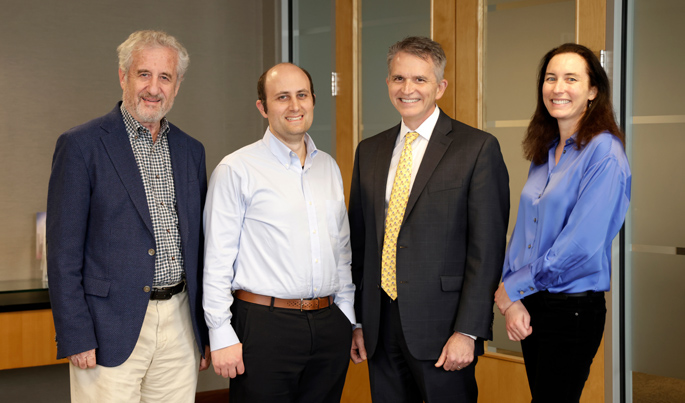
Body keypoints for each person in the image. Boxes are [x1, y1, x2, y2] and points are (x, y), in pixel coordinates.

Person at [47, 30, 210, 402]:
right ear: (123, 76)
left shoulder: (191, 151)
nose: (153, 88)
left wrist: (203, 330)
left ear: (177, 86)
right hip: (108, 327)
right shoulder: (81, 145)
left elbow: (198, 247)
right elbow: (63, 253)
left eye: (165, 77)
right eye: (143, 74)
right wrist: (76, 334)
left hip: (180, 323)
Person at [349, 36, 510, 403]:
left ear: (440, 87)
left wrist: (468, 331)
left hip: (443, 329)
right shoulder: (369, 151)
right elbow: (359, 245)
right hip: (379, 327)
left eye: (420, 79)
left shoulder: (477, 148)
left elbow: (486, 250)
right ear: (388, 83)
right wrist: (357, 321)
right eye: (398, 78)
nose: (407, 89)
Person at [202, 62, 355, 403]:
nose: (294, 105)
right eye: (282, 97)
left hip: (329, 325)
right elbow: (217, 259)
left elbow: (341, 251)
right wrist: (220, 330)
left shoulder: (328, 167)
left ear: (313, 100)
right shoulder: (236, 169)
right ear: (263, 107)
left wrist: (348, 316)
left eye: (302, 95)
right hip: (264, 326)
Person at [494, 43, 631, 402]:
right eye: (551, 78)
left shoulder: (605, 151)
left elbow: (581, 245)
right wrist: (512, 296)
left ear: (593, 90)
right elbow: (525, 230)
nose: (558, 88)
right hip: (532, 302)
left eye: (571, 78)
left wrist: (515, 286)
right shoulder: (546, 150)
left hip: (571, 309)